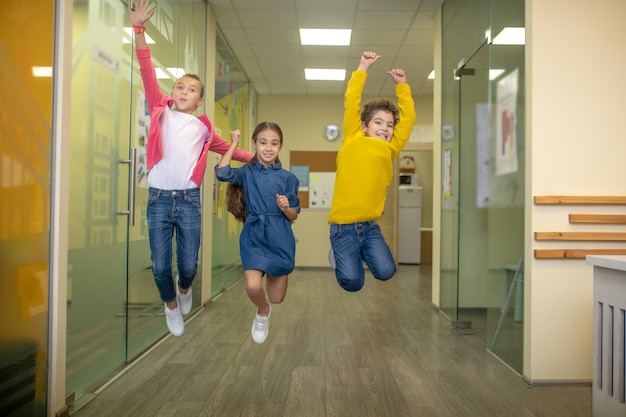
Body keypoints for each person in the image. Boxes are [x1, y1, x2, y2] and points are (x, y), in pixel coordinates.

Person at [129, 0, 253, 337]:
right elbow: (146, 68)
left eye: (192, 89)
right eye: (180, 86)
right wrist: (139, 29)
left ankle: (184, 290)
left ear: (199, 101)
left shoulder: (203, 130)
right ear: (172, 93)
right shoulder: (160, 109)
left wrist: (259, 157)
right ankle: (170, 305)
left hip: (188, 201)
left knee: (188, 265)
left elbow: (232, 151)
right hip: (157, 200)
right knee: (158, 266)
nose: (184, 91)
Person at [328, 51, 416, 292]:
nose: (385, 128)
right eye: (378, 122)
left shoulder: (391, 148)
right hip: (342, 227)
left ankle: (360, 251)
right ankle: (341, 254)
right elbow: (352, 99)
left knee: (387, 271)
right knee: (352, 283)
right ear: (365, 126)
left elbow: (407, 122)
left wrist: (402, 87)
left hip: (369, 227)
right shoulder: (353, 136)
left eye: (389, 125)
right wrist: (363, 67)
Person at [215, 122, 300, 344]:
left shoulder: (288, 178)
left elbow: (294, 215)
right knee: (253, 286)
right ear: (254, 144)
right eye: (263, 143)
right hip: (253, 235)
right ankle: (263, 312)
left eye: (274, 143)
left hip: (280, 236)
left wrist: (285, 207)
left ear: (280, 146)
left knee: (277, 298)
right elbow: (222, 173)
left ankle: (270, 302)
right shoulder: (247, 173)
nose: (268, 148)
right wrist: (233, 144)